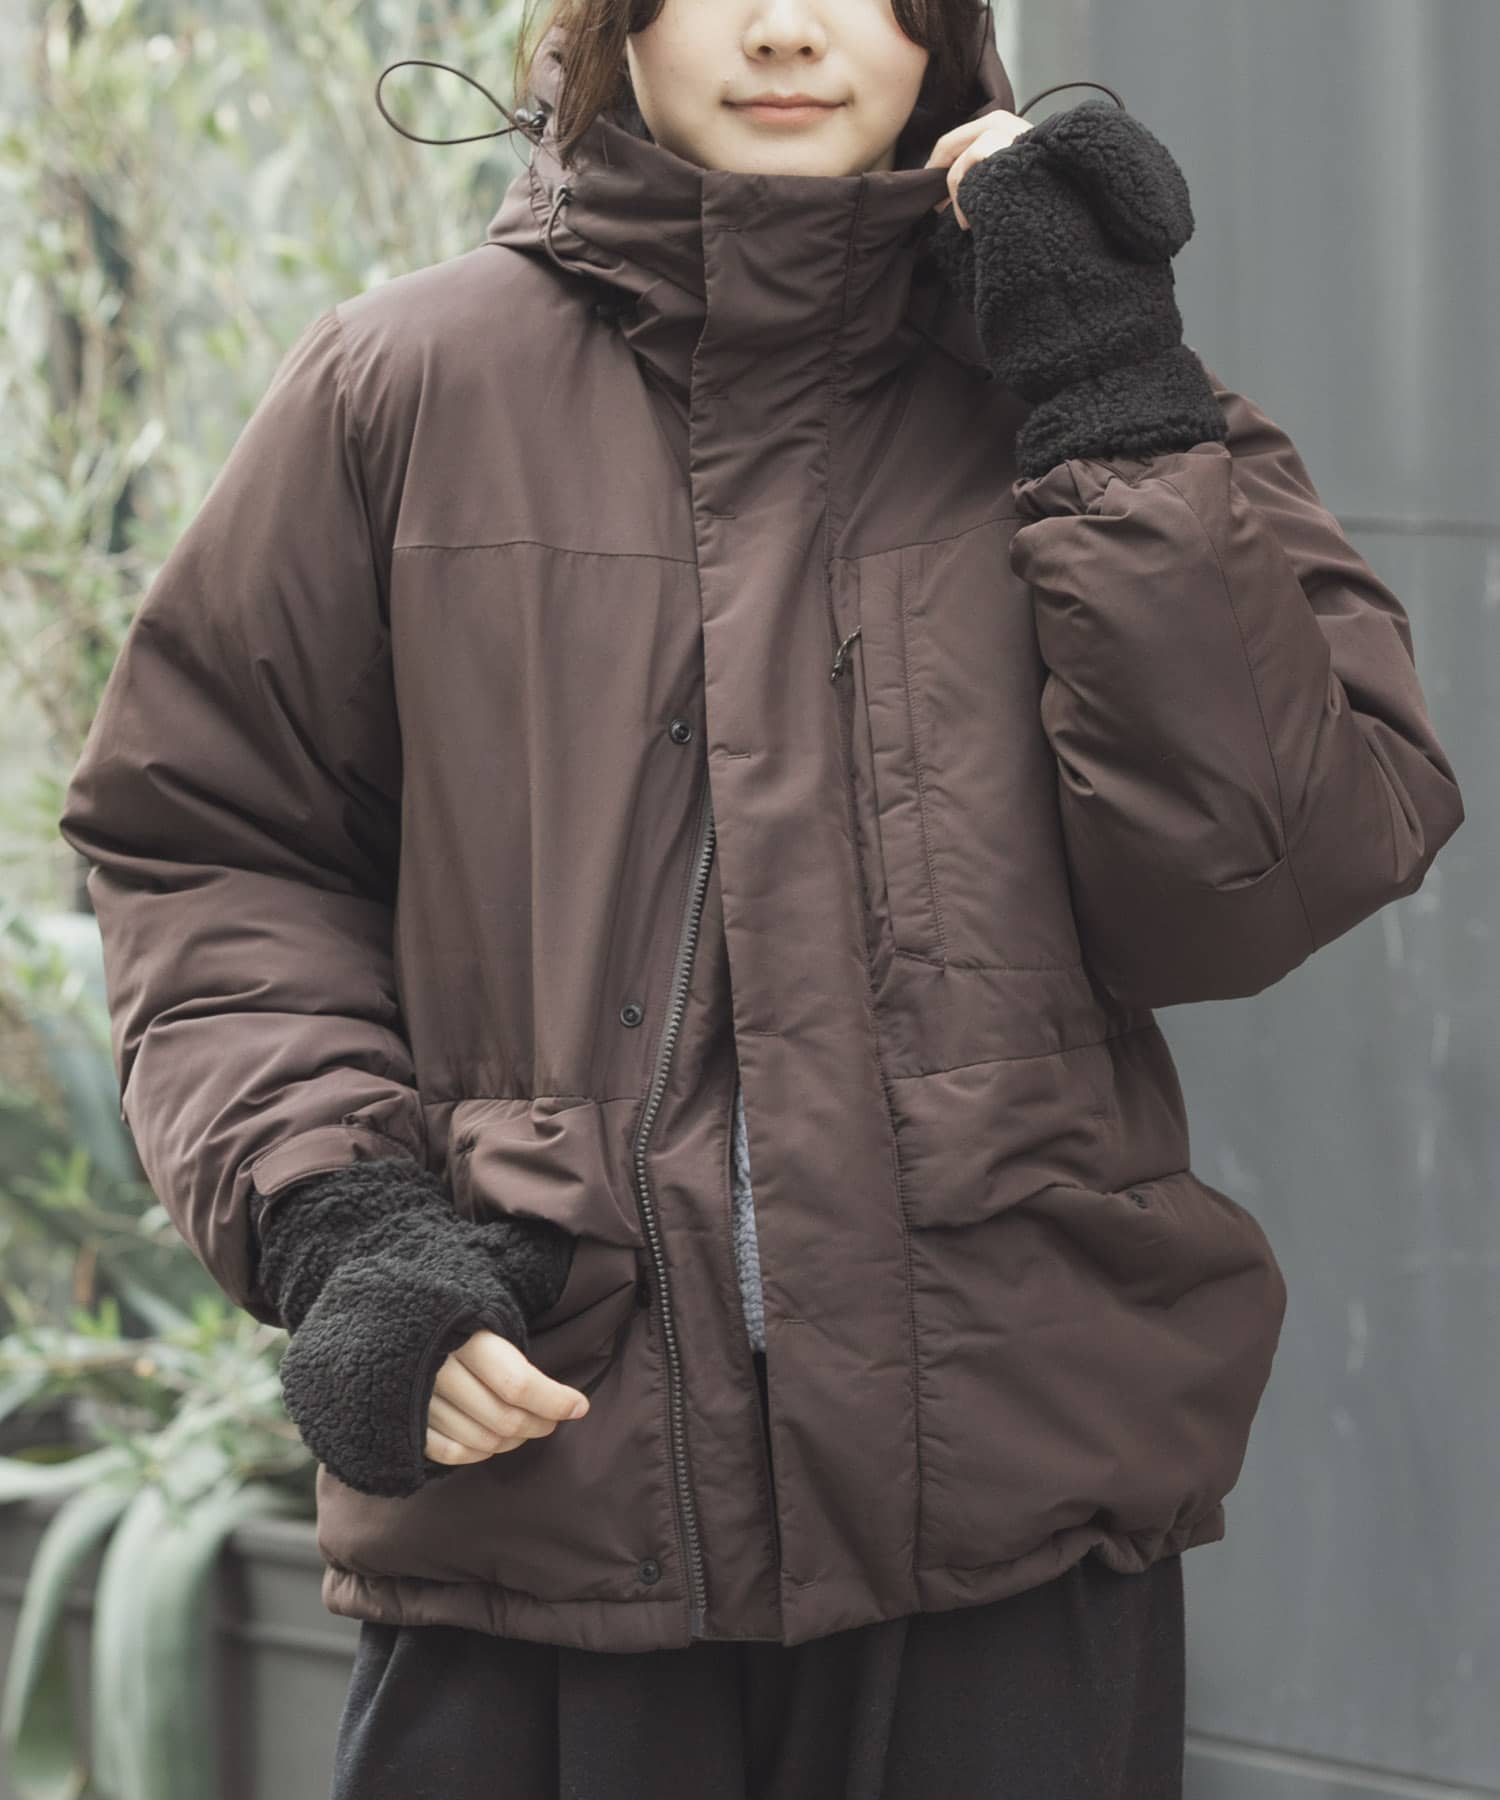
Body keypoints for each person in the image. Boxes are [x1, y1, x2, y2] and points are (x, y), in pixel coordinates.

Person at [57, 0, 1464, 1793]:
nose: (789, 28)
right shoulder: (403, 387)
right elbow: (210, 842)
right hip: (544, 1494)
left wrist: (1105, 388)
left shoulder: (1086, 382)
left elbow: (1258, 875)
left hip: (1010, 1518)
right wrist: (345, 1220)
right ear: (611, 23)